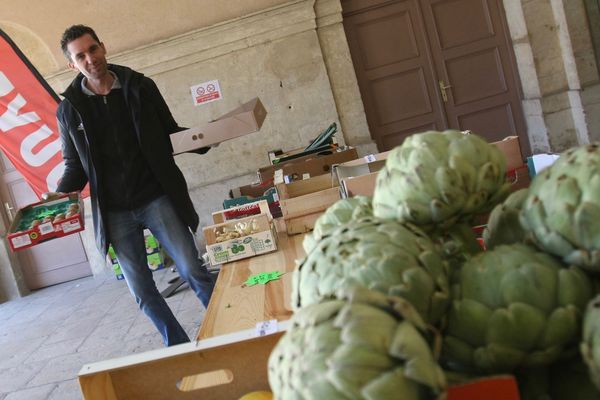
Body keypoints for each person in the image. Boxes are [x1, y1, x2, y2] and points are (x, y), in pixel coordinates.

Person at [47, 24, 216, 346]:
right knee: (142, 291)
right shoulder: (68, 110)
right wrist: (58, 195)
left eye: (92, 49)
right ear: (72, 65)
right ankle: (178, 346)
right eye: (80, 56)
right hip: (114, 211)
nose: (90, 59)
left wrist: (206, 138)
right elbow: (75, 165)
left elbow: (169, 131)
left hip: (155, 196)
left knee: (193, 269)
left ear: (103, 47)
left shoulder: (140, 87)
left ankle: (224, 333)